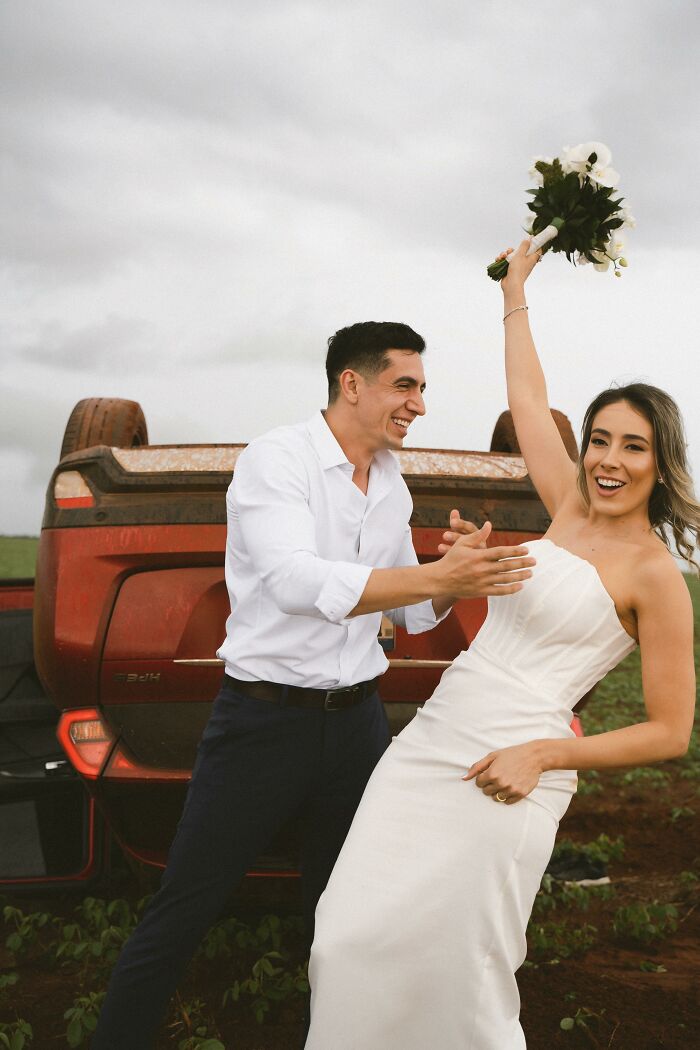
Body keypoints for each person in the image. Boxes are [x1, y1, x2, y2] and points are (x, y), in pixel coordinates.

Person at [91, 320, 537, 1049]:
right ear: (350, 384)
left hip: (357, 726)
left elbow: (415, 607)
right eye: (405, 385)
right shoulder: (277, 460)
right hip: (262, 726)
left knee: (343, 916)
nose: (419, 404)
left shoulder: (390, 480)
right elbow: (297, 583)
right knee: (186, 907)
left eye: (423, 388)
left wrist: (456, 574)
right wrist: (434, 575)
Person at [304, 248, 698, 1050]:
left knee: (461, 967)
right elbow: (528, 399)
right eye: (599, 440)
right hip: (432, 742)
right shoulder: (566, 508)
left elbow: (670, 732)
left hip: (517, 769)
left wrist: (544, 756)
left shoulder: (658, 578)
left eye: (632, 447)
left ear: (660, 464)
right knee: (343, 941)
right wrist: (516, 293)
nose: (608, 461)